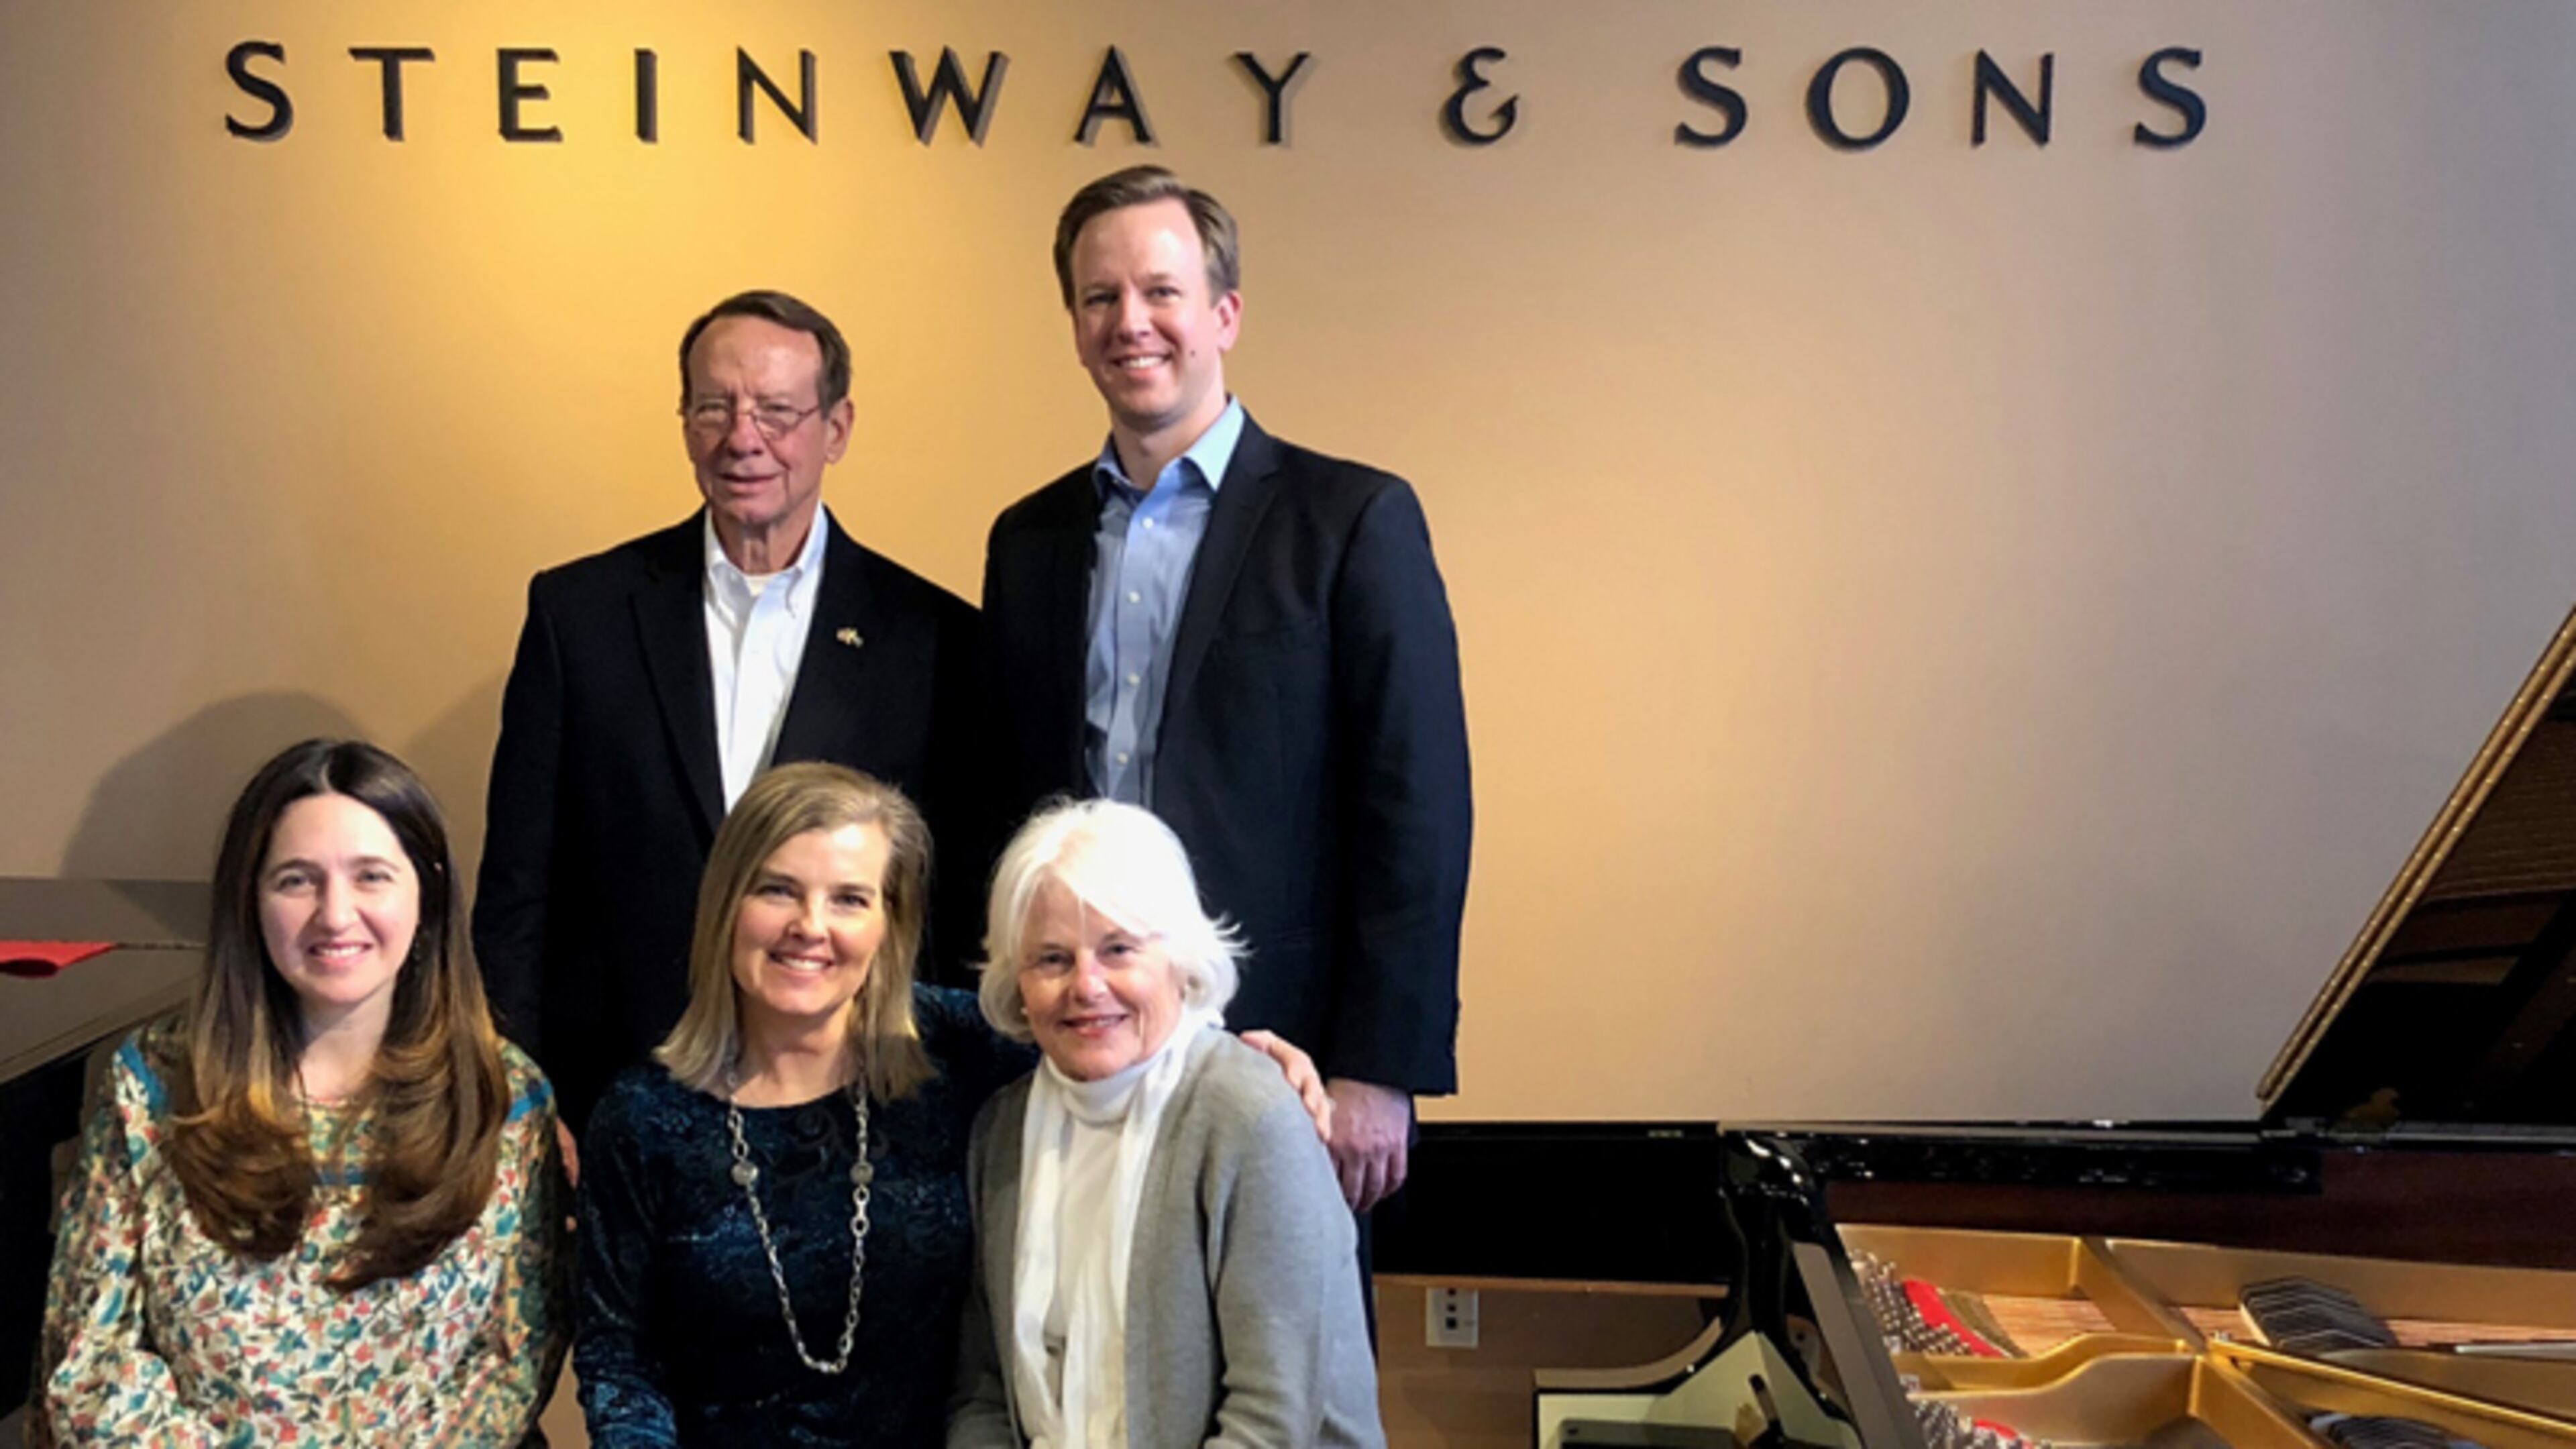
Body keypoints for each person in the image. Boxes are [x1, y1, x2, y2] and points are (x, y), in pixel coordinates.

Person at [979, 165, 1473, 1216]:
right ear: (1076, 329)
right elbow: (1008, 799)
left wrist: (1378, 1067)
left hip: (1285, 1048)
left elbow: (1417, 812)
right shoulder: (1028, 542)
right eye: (1101, 297)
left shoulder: (1352, 522)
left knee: (1278, 1316)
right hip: (1079, 1042)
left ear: (1225, 314)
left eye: (1162, 291)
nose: (1131, 322)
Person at [574, 764, 1326, 1448]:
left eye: (849, 899)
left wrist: (1247, 1062)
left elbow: (1115, 1041)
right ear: (725, 904)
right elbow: (620, 1364)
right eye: (777, 890)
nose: (811, 926)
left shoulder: (960, 1051)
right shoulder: (641, 1118)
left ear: (890, 922)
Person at [476, 288, 982, 1138]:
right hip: (612, 1095)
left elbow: (954, 905)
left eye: (778, 411)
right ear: (685, 424)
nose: (743, 438)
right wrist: (520, 1100)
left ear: (837, 428)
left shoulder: (935, 639)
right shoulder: (580, 615)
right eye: (715, 407)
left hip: (853, 1106)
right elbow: (518, 892)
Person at [36, 739, 564, 1448]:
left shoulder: (503, 1099)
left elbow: (514, 1359)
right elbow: (90, 1368)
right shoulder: (153, 1086)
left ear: (428, 890)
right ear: (250, 898)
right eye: (297, 881)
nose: (335, 914)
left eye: (371, 876)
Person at [949, 798, 1384, 1449]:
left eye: (1118, 950)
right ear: (1017, 980)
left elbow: (1272, 1421)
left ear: (1181, 960)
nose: (1087, 986)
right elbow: (983, 1392)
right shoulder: (1001, 1130)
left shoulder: (1250, 1116)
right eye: (1052, 959)